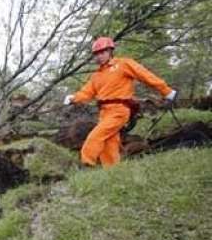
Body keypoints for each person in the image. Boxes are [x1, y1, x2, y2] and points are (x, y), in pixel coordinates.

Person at [64, 37, 177, 167]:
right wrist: (73, 98)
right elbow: (86, 93)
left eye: (102, 52)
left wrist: (167, 91)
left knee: (95, 136)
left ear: (110, 51)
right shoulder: (96, 76)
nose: (99, 56)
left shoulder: (123, 64)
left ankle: (86, 164)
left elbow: (145, 76)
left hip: (119, 110)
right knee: (109, 142)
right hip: (104, 113)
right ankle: (112, 170)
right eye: (97, 53)